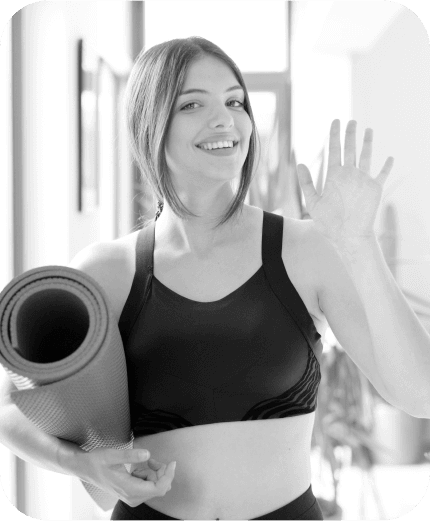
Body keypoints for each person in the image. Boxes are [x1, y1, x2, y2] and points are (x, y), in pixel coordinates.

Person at [4, 35, 426, 521]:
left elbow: (419, 394)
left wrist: (361, 246)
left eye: (235, 101)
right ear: (150, 123)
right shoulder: (107, 271)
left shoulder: (305, 250)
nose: (225, 118)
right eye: (192, 104)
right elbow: (11, 409)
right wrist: (82, 464)